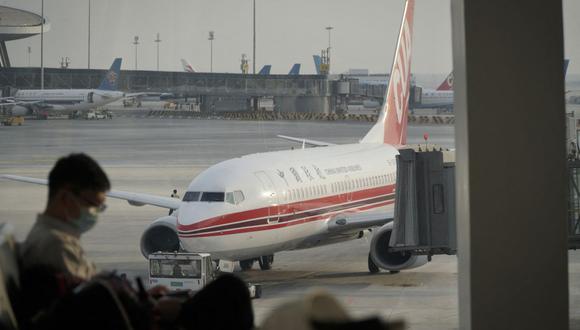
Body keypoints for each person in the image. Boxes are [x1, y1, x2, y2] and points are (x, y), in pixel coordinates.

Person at [20, 153, 110, 281]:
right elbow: (91, 296)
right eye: (92, 205)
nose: (94, 213)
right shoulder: (57, 246)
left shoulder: (47, 235)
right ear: (66, 198)